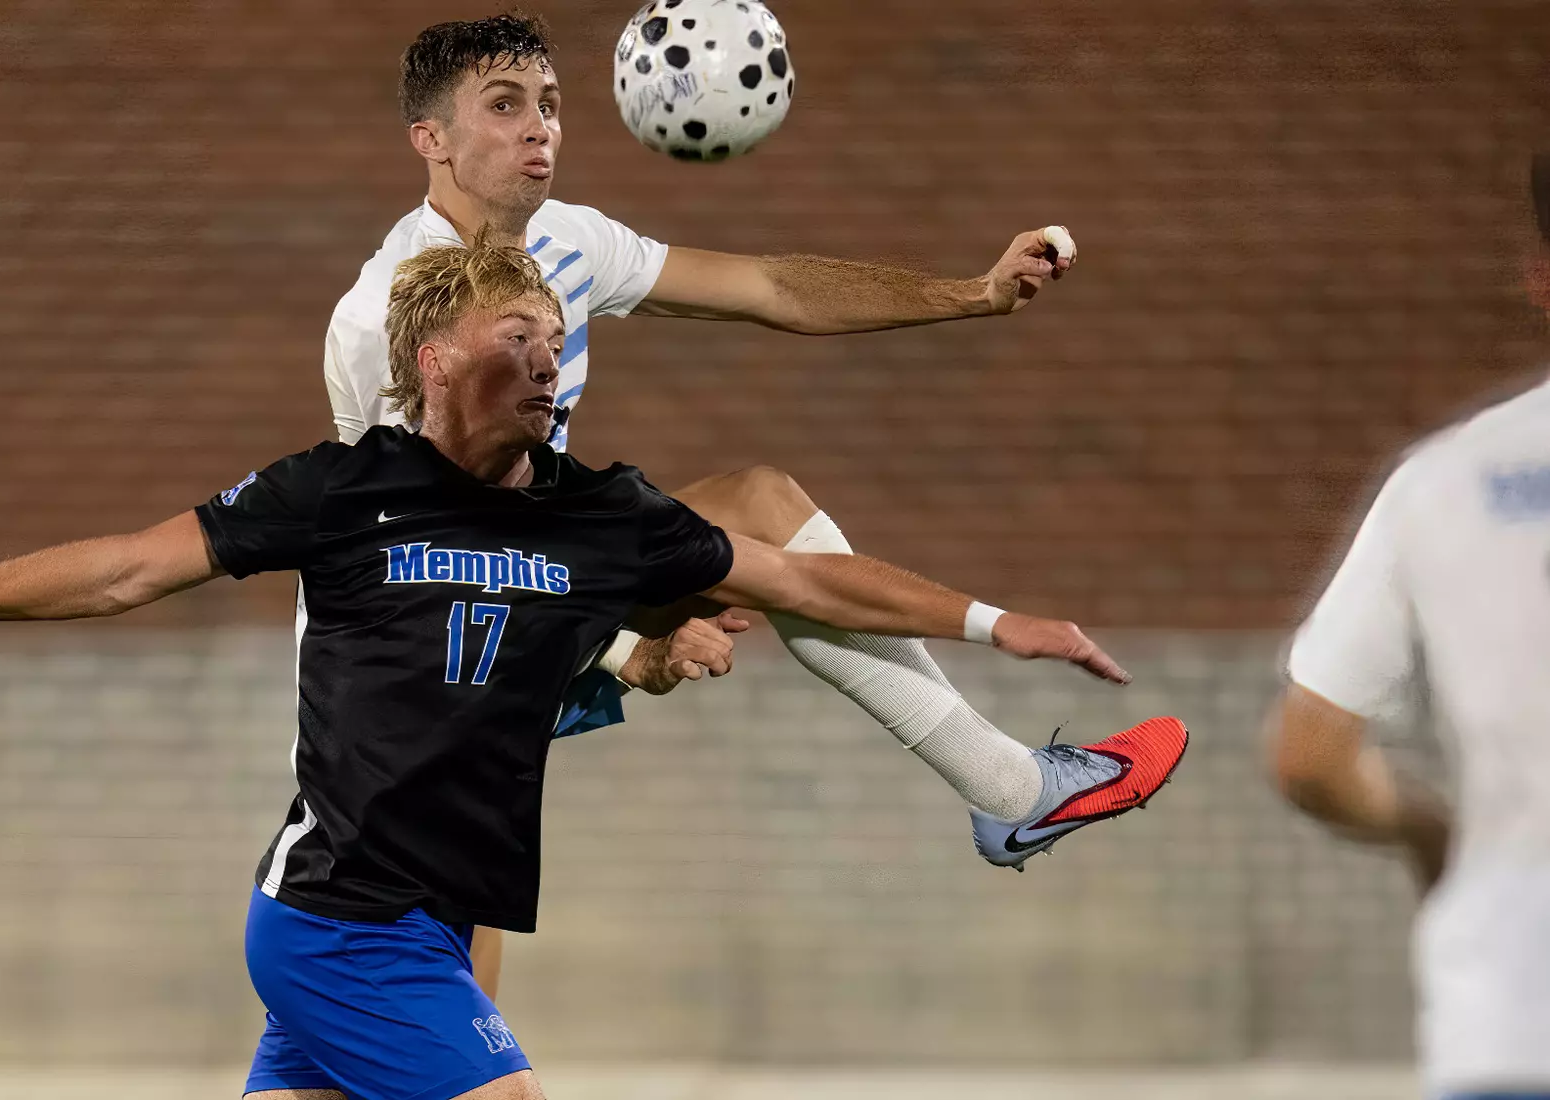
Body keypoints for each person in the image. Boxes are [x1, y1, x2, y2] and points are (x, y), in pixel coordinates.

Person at [0, 237, 1185, 1100]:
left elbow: (802, 578)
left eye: (558, 336)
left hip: (438, 923)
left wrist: (999, 622)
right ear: (433, 358)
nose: (550, 356)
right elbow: (121, 567)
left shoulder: (602, 514)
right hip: (343, 923)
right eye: (518, 335)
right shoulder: (340, 491)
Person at [328, 12, 1177, 988]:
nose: (541, 129)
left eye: (552, 105)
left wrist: (974, 293)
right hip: (422, 665)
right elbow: (431, 560)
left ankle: (1008, 786)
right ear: (429, 139)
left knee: (758, 503)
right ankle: (1012, 787)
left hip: (529, 589)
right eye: (506, 105)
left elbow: (774, 286)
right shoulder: (389, 313)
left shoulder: (565, 240)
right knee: (427, 1007)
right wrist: (623, 648)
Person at [1267, 156, 1550, 1100]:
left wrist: (1435, 833)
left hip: (1512, 1016)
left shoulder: (1447, 484)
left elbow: (1310, 754)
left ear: (1540, 278)